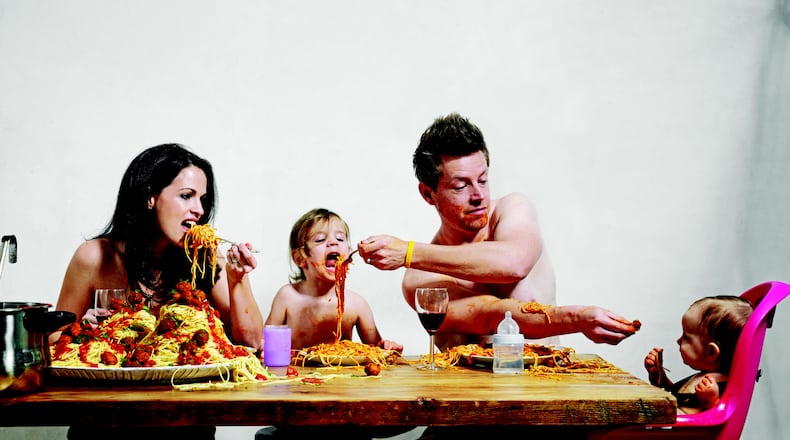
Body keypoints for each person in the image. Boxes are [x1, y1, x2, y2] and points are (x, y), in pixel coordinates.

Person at [357, 113, 640, 352]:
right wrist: (578, 319)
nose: (479, 195)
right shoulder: (420, 278)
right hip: (467, 406)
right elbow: (490, 317)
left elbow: (513, 264)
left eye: (483, 180)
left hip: (542, 393)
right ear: (428, 194)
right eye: (460, 186)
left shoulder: (512, 210)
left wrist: (408, 251)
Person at [53, 143, 263, 440]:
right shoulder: (94, 257)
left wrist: (237, 278)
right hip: (105, 423)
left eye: (203, 200)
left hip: (187, 423)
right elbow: (51, 341)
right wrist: (80, 330)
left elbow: (251, 341)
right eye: (187, 196)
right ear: (150, 196)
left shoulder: (204, 258)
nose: (199, 210)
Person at [266, 208, 402, 352]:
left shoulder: (357, 304)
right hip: (297, 374)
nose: (333, 243)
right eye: (320, 239)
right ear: (300, 258)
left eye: (340, 239)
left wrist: (387, 347)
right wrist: (264, 347)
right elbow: (265, 341)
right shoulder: (288, 296)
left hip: (343, 374)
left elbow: (376, 351)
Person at [644, 295, 752, 414]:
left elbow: (722, 422)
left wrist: (711, 402)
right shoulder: (702, 378)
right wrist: (659, 376)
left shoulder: (718, 386)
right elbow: (674, 397)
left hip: (681, 432)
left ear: (711, 352)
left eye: (686, 337)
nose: (678, 341)